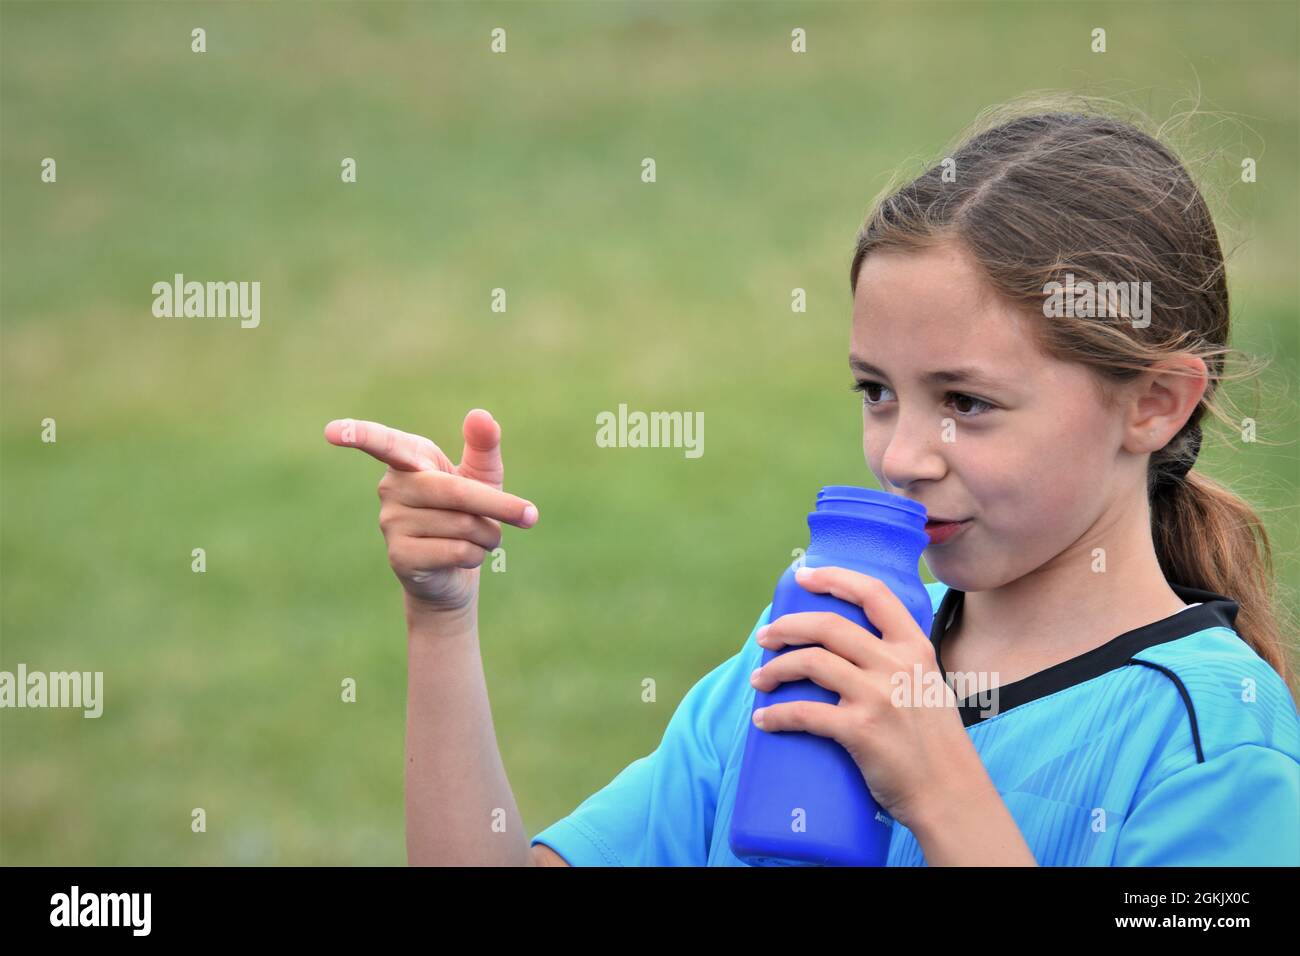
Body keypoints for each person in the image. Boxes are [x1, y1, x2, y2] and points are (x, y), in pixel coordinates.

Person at [325, 100, 1300, 866]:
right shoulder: (812, 651)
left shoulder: (1215, 744)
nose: (901, 453)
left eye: (966, 400)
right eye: (876, 391)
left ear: (1155, 404)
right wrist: (441, 618)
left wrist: (937, 787)